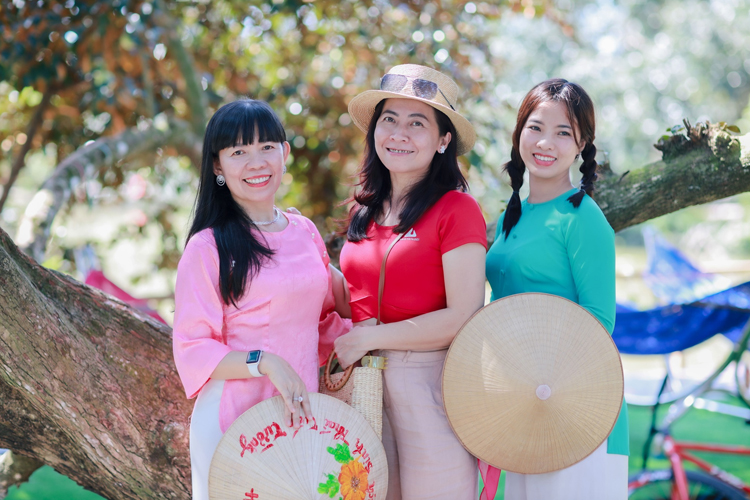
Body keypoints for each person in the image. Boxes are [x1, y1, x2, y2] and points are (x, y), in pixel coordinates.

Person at [171, 99, 351, 500]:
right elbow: (192, 347)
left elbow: (326, 319)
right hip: (233, 420)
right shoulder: (207, 247)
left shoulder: (304, 231)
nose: (256, 163)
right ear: (217, 166)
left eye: (266, 147)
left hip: (301, 416)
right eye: (238, 152)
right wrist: (265, 362)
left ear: (284, 153)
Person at [336, 64, 488, 499]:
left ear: (444, 141)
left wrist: (370, 338)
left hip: (428, 385)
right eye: (390, 119)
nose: (399, 133)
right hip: (361, 384)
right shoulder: (364, 210)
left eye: (417, 123)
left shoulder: (456, 210)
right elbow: (356, 300)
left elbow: (463, 316)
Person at [485, 79, 629, 499]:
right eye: (535, 127)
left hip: (577, 409)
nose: (545, 142)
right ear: (519, 134)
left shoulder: (583, 218)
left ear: (582, 144)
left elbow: (599, 322)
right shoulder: (513, 216)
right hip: (526, 401)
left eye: (563, 132)